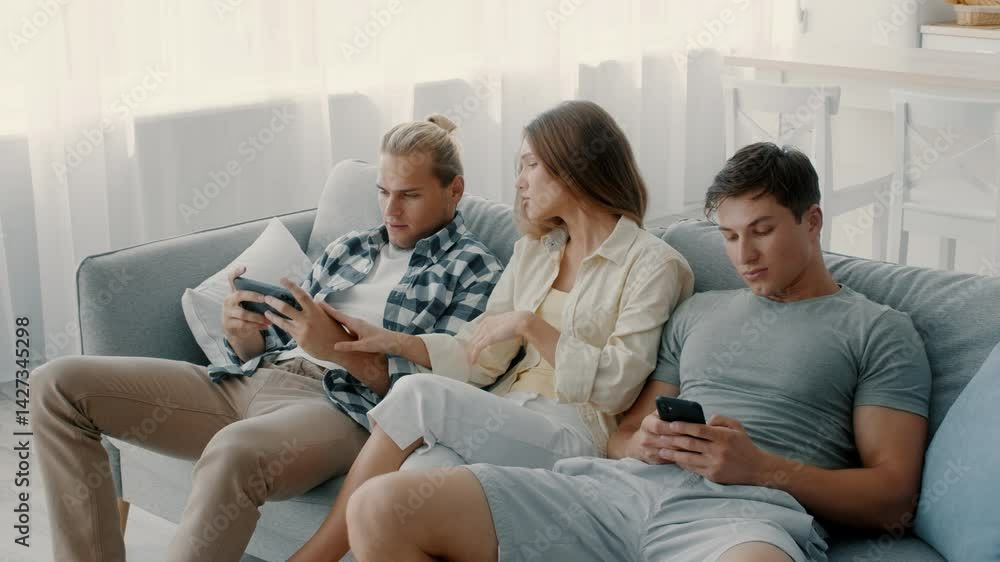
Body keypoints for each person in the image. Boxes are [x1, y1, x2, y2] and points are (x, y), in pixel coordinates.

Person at [345, 142, 933, 562]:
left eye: (762, 230)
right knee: (379, 507)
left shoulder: (878, 331)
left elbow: (894, 500)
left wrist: (761, 468)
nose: (744, 256)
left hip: (741, 521)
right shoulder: (700, 312)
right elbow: (621, 437)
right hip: (616, 492)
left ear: (813, 221)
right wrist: (643, 442)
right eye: (730, 236)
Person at [31, 114, 505, 562]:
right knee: (57, 385)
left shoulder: (475, 271)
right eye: (382, 192)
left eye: (409, 195)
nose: (390, 210)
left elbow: (437, 395)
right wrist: (244, 335)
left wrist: (337, 352)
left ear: (454, 190)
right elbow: (284, 339)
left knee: (234, 452)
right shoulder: (350, 247)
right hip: (254, 377)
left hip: (340, 408)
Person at [288, 100, 695, 561]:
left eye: (530, 165)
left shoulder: (654, 265)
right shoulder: (536, 251)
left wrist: (530, 325)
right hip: (503, 414)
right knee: (407, 487)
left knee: (417, 394)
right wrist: (396, 342)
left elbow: (618, 386)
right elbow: (481, 357)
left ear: (573, 167)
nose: (519, 181)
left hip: (575, 433)